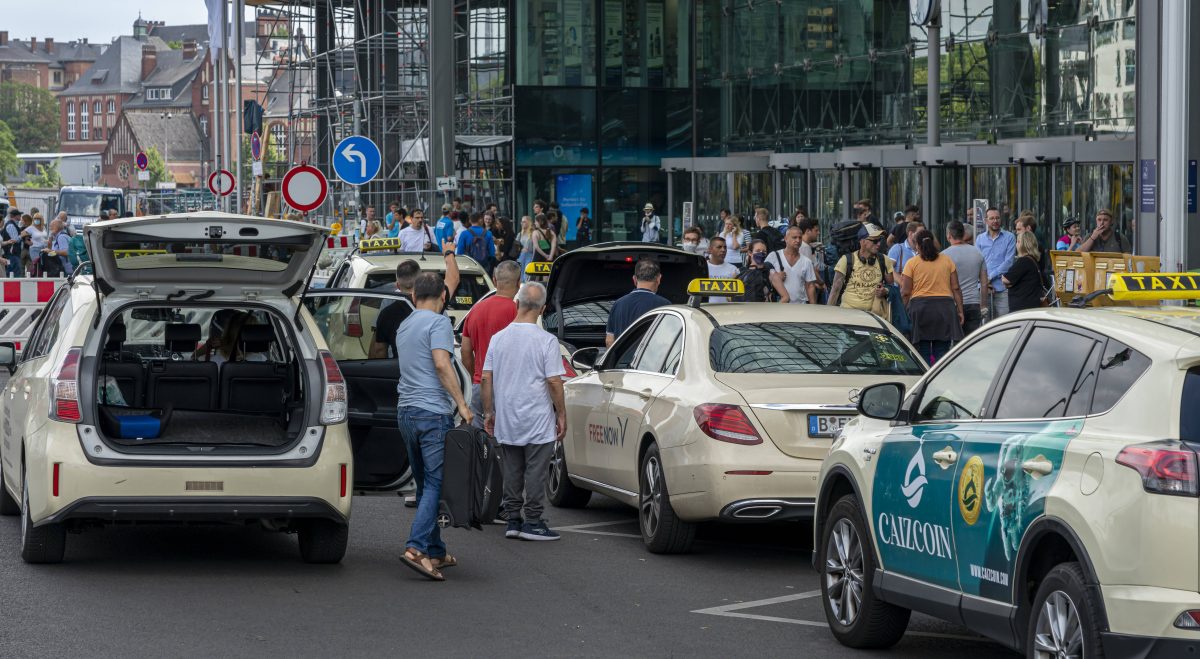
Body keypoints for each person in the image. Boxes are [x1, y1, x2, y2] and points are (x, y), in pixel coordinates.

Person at [396, 272, 473, 582]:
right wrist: (463, 406)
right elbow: (442, 364)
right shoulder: (439, 323)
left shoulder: (405, 324)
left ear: (414, 297)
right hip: (432, 413)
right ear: (443, 297)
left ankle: (436, 550)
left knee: (425, 484)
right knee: (436, 483)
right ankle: (416, 549)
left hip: (405, 412)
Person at [481, 281, 567, 541]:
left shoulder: (498, 339)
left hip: (508, 417)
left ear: (516, 304)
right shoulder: (547, 341)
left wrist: (488, 412)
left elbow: (486, 378)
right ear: (542, 310)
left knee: (512, 470)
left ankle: (513, 519)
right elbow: (554, 381)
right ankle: (533, 521)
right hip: (537, 419)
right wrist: (561, 413)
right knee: (535, 471)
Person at [370, 242, 461, 360]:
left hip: (400, 372)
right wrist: (449, 253)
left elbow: (379, 351)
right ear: (420, 281)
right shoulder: (434, 302)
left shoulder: (386, 313)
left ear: (397, 285)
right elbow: (453, 278)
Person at [462, 260, 519, 431]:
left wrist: (475, 378)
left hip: (480, 387)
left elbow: (465, 352)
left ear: (494, 280)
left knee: (480, 446)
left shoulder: (475, 310)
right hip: (508, 388)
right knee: (506, 446)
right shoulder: (517, 312)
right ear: (519, 282)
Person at [900, 229, 964, 364]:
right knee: (942, 352)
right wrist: (960, 310)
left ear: (917, 245)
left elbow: (905, 292)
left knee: (922, 352)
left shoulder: (911, 263)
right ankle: (939, 378)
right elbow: (956, 288)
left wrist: (902, 312)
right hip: (944, 310)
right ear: (933, 242)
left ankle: (925, 380)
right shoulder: (947, 260)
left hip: (920, 310)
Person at [827, 224, 894, 311]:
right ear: (862, 241)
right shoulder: (846, 260)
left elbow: (891, 287)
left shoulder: (884, 260)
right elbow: (835, 290)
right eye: (875, 240)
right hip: (848, 313)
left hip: (874, 316)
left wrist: (885, 291)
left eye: (880, 240)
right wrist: (829, 314)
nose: (879, 244)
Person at [606, 258, 669, 347]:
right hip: (652, 360)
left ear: (634, 279)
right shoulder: (665, 306)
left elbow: (609, 340)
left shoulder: (618, 304)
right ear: (659, 279)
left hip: (622, 360)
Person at [943, 221, 989, 336]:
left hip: (952, 304)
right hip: (974, 302)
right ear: (963, 234)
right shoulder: (977, 253)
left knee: (954, 344)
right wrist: (983, 305)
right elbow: (984, 283)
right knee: (971, 342)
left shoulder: (944, 256)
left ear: (949, 235)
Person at [975, 208, 1016, 318]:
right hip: (984, 289)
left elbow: (1009, 262)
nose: (995, 221)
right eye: (992, 218)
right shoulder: (980, 239)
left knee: (1004, 322)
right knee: (984, 324)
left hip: (1002, 287)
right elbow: (977, 263)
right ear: (986, 221)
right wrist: (985, 283)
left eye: (997, 218)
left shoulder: (1009, 237)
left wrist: (990, 277)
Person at [768, 226, 819, 304]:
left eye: (800, 238)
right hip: (779, 307)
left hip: (800, 308)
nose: (798, 240)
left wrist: (813, 308)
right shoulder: (774, 256)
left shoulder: (806, 262)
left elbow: (810, 286)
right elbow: (762, 276)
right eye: (794, 237)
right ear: (786, 238)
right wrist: (774, 277)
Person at [1002, 232, 1046, 312]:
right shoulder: (1033, 260)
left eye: (1018, 242)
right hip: (1031, 306)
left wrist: (1008, 282)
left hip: (1022, 309)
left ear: (1023, 244)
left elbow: (1006, 279)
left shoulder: (1023, 261)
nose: (1016, 245)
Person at [706, 236, 739, 304]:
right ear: (710, 249)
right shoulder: (703, 268)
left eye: (725, 247)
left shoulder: (733, 269)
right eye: (719, 247)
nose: (723, 250)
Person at [3, 208, 23, 278]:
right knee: (14, 272)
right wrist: (22, 235)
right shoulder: (11, 225)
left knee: (13, 272)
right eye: (19, 215)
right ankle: (12, 288)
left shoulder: (13, 224)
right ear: (15, 216)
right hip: (11, 254)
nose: (20, 216)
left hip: (13, 253)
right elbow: (15, 240)